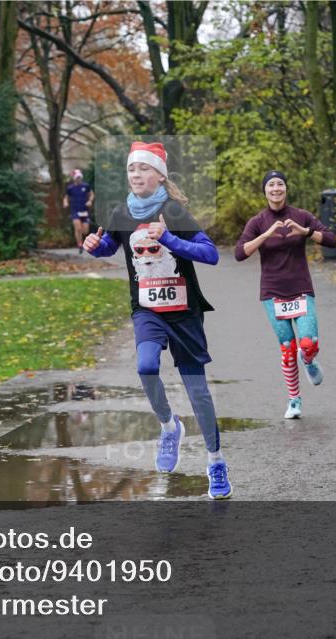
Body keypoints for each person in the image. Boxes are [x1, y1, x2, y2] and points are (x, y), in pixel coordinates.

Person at [84, 141, 232, 499]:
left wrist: (168, 238)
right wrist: (95, 245)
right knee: (146, 367)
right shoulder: (122, 212)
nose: (135, 175)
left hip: (184, 314)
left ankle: (216, 462)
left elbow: (210, 254)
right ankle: (169, 426)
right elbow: (112, 245)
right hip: (147, 310)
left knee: (198, 393)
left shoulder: (174, 212)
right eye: (131, 170)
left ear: (159, 175)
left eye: (143, 169)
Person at [234, 170, 336, 419]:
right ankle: (294, 401)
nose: (276, 188)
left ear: (286, 189)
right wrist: (265, 235)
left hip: (301, 289)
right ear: (265, 191)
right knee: (287, 348)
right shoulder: (258, 221)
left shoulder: (301, 216)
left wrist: (307, 232)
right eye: (271, 185)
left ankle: (310, 361)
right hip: (272, 293)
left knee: (307, 343)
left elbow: (333, 240)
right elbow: (239, 253)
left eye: (280, 183)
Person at [64, 169, 94, 254]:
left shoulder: (86, 186)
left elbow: (91, 194)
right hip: (75, 211)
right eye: (77, 177)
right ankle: (80, 244)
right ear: (74, 178)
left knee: (85, 231)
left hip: (84, 211)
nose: (79, 179)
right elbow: (66, 197)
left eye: (80, 177)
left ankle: (82, 242)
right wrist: (66, 202)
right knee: (78, 228)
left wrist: (90, 201)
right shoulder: (70, 188)